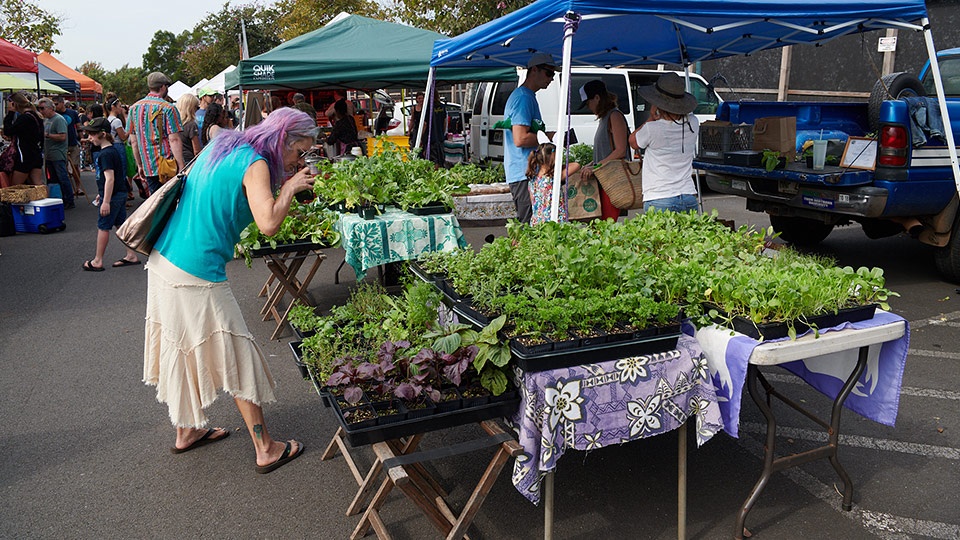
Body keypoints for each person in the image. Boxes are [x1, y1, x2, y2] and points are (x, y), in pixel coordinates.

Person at [143, 107, 314, 473]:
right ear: (283, 138)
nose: (299, 160)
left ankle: (186, 431)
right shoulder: (256, 165)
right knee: (235, 351)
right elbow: (268, 223)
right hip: (196, 271)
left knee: (183, 347)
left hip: (164, 260)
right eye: (299, 151)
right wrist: (290, 189)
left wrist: (283, 187)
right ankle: (266, 447)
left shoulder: (223, 145)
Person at [629, 72, 700, 213]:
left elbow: (633, 142)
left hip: (659, 197)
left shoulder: (652, 128)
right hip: (688, 195)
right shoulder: (693, 122)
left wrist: (651, 117)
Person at [503, 53, 558, 223]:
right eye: (549, 73)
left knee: (529, 226)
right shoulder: (523, 98)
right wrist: (547, 137)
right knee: (527, 227)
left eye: (553, 75)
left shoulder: (526, 97)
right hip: (523, 173)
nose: (551, 79)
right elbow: (520, 138)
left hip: (524, 172)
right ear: (534, 70)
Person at [80, 118, 139, 272]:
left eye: (92, 134)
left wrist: (105, 200)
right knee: (120, 225)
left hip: (112, 197)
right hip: (119, 193)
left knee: (103, 227)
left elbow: (110, 178)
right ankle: (131, 254)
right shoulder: (112, 151)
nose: (90, 137)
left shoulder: (105, 154)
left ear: (103, 134)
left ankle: (98, 260)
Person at [577, 80, 630, 222]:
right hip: (604, 181)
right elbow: (604, 152)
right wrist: (590, 164)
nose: (589, 107)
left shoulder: (615, 116)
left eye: (588, 103)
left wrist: (596, 167)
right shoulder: (604, 118)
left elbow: (620, 151)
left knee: (606, 225)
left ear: (597, 98)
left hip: (613, 181)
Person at [127, 71, 185, 195]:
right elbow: (174, 139)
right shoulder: (168, 108)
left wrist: (139, 165)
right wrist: (181, 165)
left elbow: (134, 141)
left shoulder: (134, 108)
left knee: (155, 203)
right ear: (163, 87)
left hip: (148, 166)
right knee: (171, 203)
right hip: (167, 165)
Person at [527, 142, 580, 225]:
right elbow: (576, 165)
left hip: (538, 221)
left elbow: (533, 202)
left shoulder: (532, 181)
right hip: (555, 220)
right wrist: (559, 166)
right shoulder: (554, 177)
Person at [38, 97, 75, 209]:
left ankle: (69, 199)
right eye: (39, 108)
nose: (41, 111)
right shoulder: (46, 120)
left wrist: (48, 135)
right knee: (53, 179)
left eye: (42, 108)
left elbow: (63, 136)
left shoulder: (58, 119)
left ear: (50, 108)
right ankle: (59, 198)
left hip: (58, 153)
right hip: (49, 154)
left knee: (62, 177)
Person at [2, 91, 44, 186]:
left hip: (24, 155)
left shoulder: (24, 118)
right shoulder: (36, 116)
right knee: (38, 184)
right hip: (36, 153)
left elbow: (8, 131)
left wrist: (10, 113)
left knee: (16, 186)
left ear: (14, 104)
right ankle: (46, 199)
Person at [53, 96, 84, 196]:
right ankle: (68, 189)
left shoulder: (72, 113)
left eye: (56, 104)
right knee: (63, 168)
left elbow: (79, 127)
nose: (55, 106)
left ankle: (78, 187)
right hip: (60, 145)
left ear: (62, 103)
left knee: (75, 166)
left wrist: (81, 138)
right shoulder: (54, 115)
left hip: (72, 143)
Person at [408, 90, 447, 166]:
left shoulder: (427, 107)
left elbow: (425, 124)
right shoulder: (442, 107)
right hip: (440, 137)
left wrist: (421, 138)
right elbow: (445, 122)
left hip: (430, 138)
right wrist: (442, 132)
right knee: (440, 158)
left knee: (432, 159)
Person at [105, 97, 130, 197]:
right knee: (121, 171)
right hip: (118, 145)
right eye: (119, 106)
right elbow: (123, 137)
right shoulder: (117, 121)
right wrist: (129, 130)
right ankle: (122, 195)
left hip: (111, 145)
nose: (121, 109)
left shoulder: (108, 120)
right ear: (113, 107)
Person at [176, 93, 202, 164]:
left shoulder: (174, 124)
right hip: (189, 161)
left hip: (176, 160)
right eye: (196, 107)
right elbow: (196, 150)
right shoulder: (191, 125)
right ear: (191, 108)